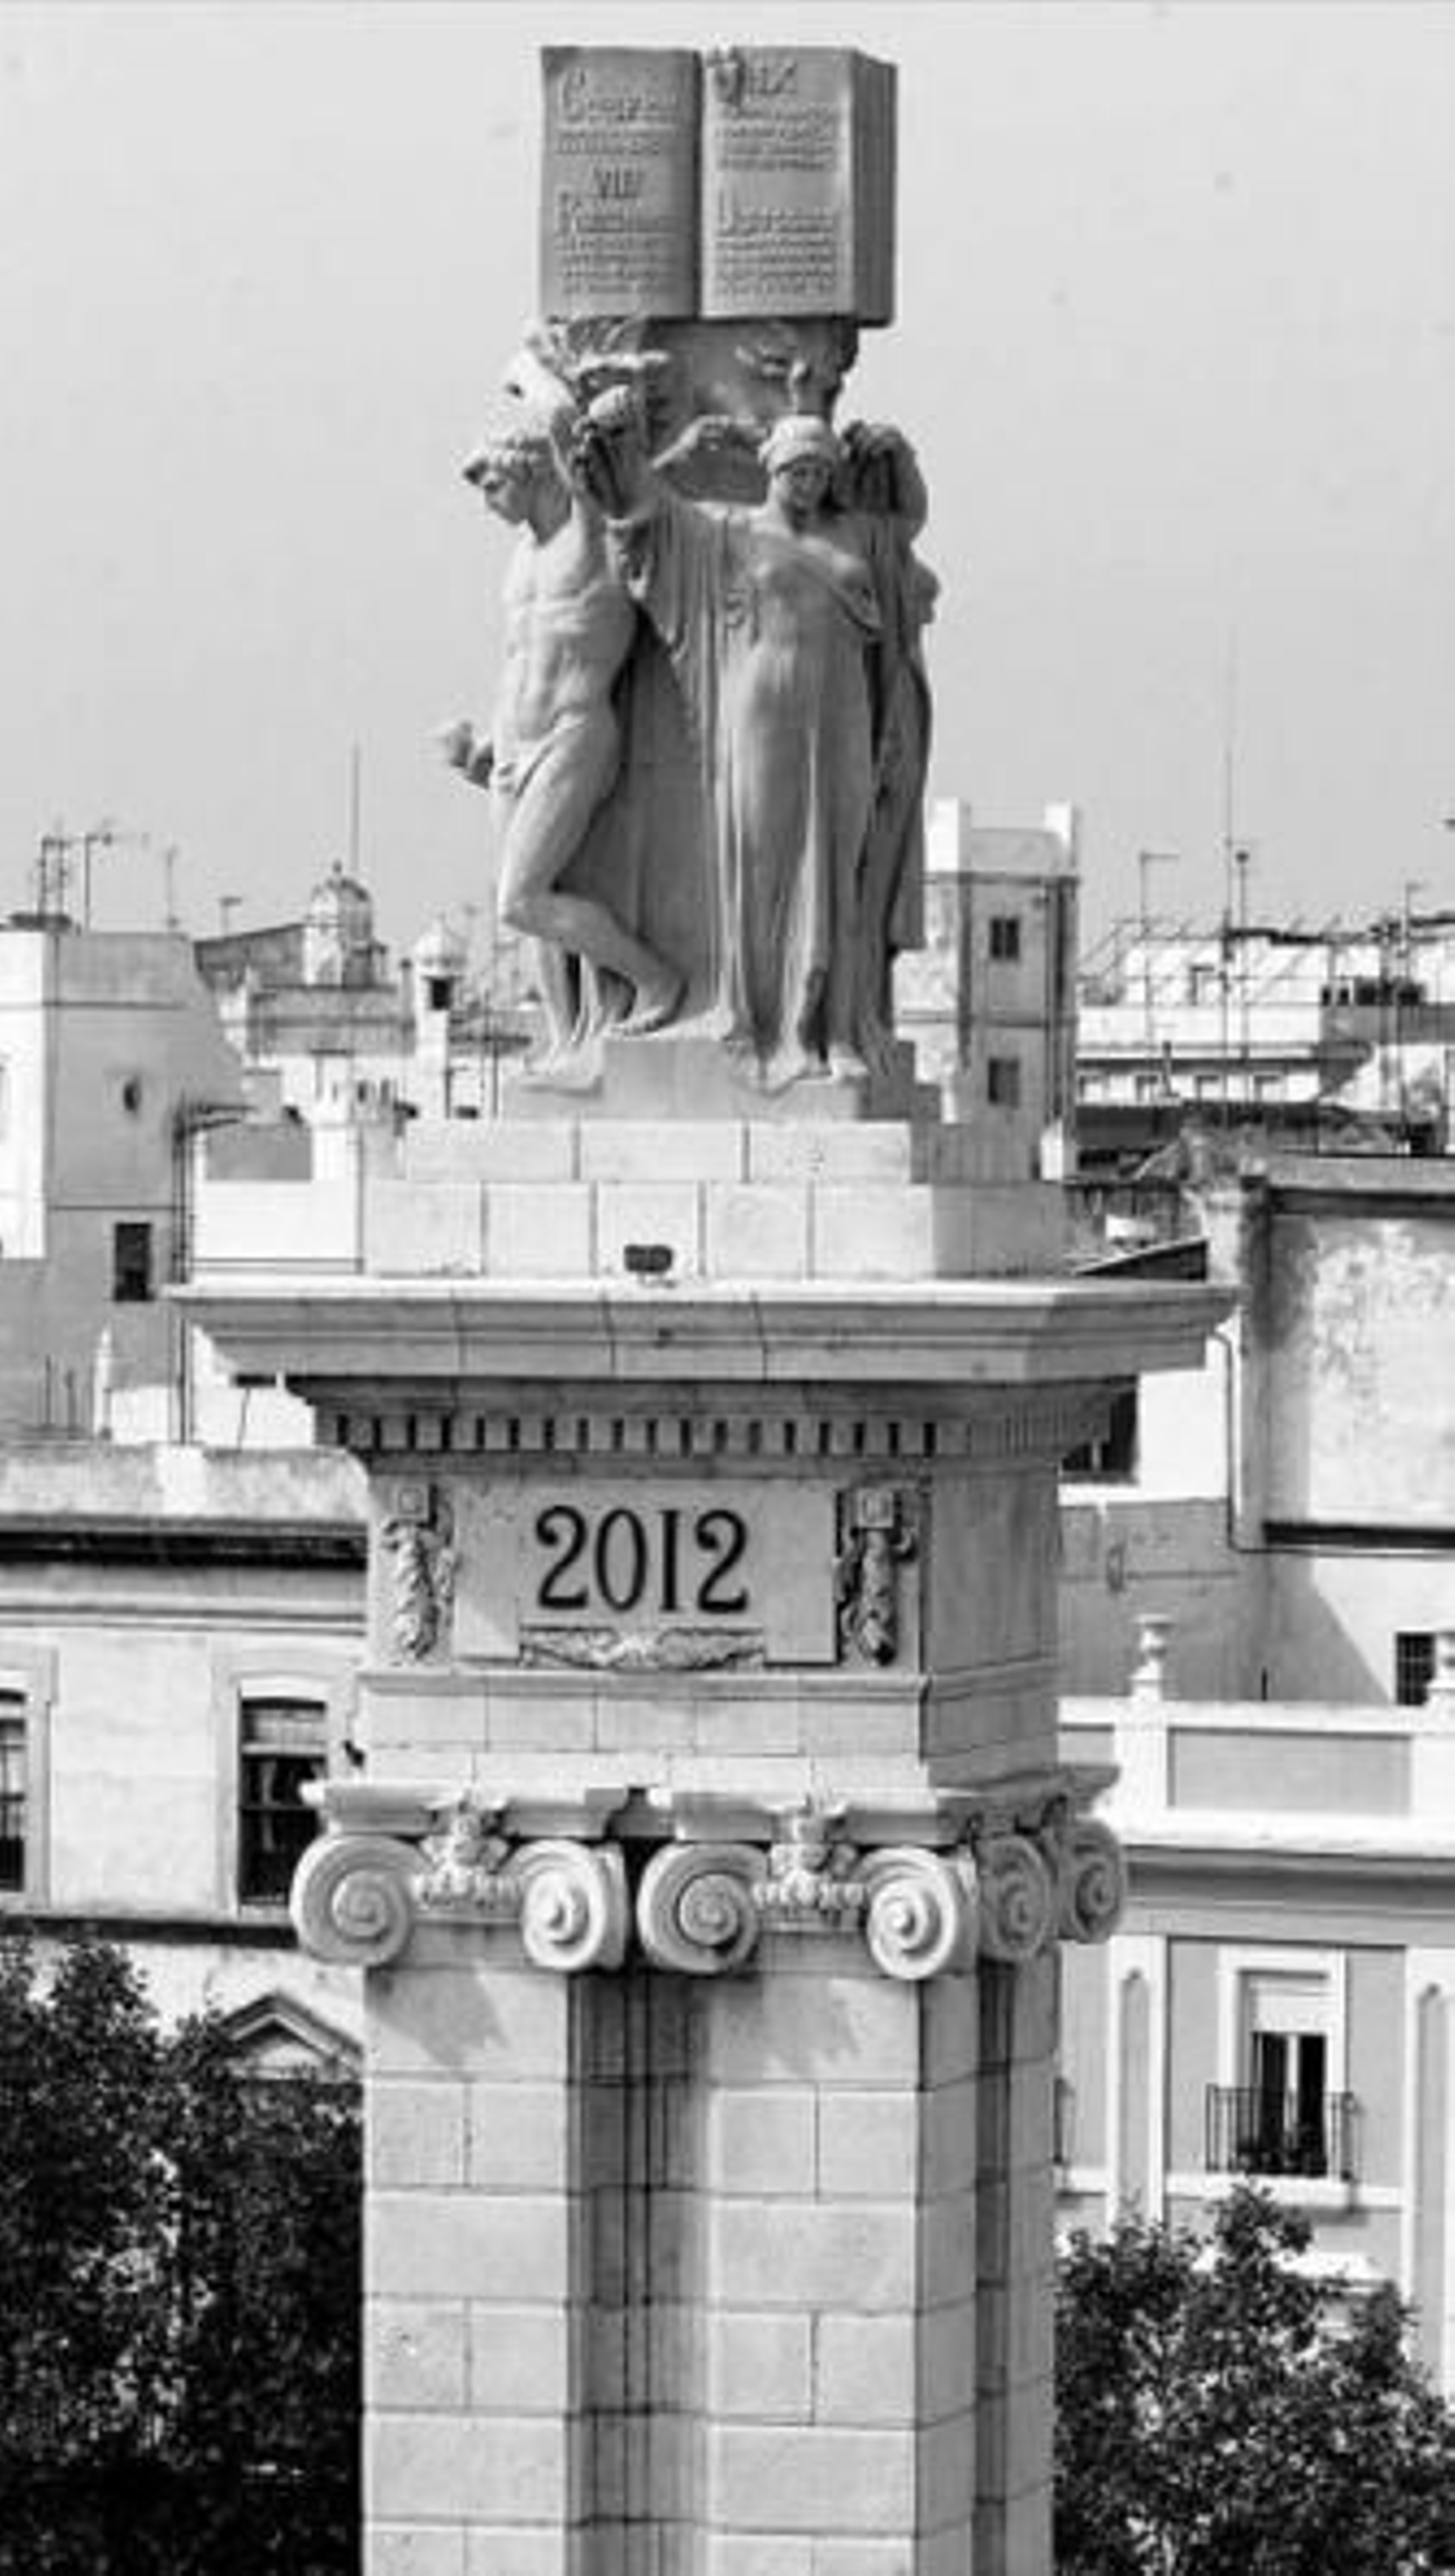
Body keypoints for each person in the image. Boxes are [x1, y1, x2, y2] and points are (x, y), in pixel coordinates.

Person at [577, 400, 885, 1089]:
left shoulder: (852, 536)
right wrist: (627, 434)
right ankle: (760, 1016)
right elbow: (642, 512)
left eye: (818, 470)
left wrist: (894, 459)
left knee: (837, 861)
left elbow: (907, 532)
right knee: (761, 858)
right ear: (771, 468)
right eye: (795, 468)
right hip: (760, 703)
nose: (806, 481)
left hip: (841, 710)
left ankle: (833, 1027)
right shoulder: (730, 530)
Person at [441, 419, 683, 1068]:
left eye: (494, 483)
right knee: (536, 902)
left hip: (574, 732)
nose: (488, 500)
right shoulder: (523, 556)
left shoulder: (587, 529)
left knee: (519, 900)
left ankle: (656, 978)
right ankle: (566, 1035)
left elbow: (560, 423)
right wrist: (486, 743)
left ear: (534, 471)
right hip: (514, 748)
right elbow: (519, 658)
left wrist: (526, 367)